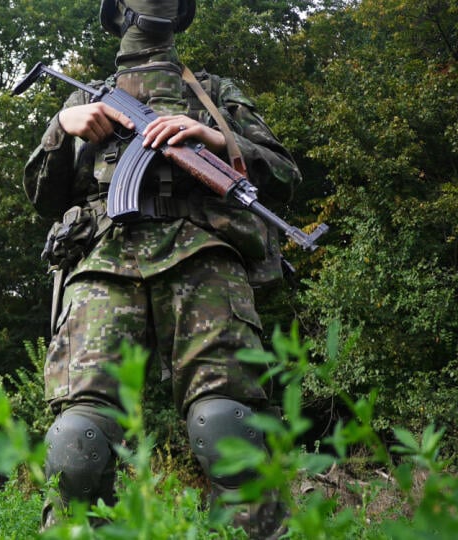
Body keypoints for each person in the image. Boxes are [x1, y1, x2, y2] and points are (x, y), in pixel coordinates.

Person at [23, 1, 300, 537]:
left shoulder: (213, 93)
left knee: (227, 427)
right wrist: (63, 127)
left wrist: (219, 140)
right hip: (104, 263)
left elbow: (284, 175)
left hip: (202, 256)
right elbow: (41, 195)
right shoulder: (85, 96)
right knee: (77, 442)